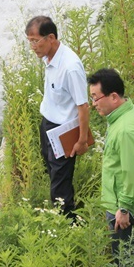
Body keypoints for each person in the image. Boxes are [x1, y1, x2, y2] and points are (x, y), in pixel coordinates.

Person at [25, 16, 90, 219]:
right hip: (48, 125)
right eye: (29, 41)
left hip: (64, 131)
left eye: (36, 41)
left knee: (59, 184)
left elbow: (83, 106)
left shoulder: (70, 67)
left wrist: (81, 140)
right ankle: (67, 210)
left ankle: (66, 225)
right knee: (52, 172)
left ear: (51, 37)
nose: (33, 47)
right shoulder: (49, 56)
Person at [87, 68, 134, 260]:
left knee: (127, 262)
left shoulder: (125, 130)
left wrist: (124, 209)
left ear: (113, 97)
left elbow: (132, 173)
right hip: (128, 203)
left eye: (95, 98)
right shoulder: (131, 112)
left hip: (124, 211)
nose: (93, 104)